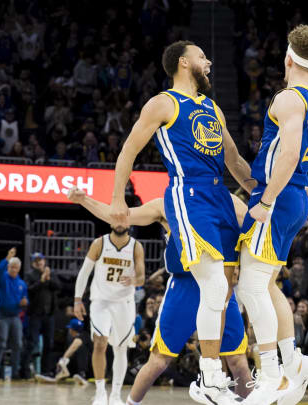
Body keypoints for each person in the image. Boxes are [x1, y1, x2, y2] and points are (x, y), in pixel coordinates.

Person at [68, 187, 308, 404]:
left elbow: (263, 225)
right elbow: (122, 216)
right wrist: (84, 201)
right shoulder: (168, 203)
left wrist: (297, 206)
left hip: (223, 285)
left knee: (238, 360)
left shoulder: (232, 202)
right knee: (159, 360)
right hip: (185, 286)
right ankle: (132, 402)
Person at [108, 39, 253, 405]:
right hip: (189, 196)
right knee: (216, 287)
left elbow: (235, 162)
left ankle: (235, 378)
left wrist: (267, 194)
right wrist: (115, 198)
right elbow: (129, 149)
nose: (209, 62)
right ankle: (210, 377)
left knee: (227, 284)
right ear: (184, 62)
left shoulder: (214, 110)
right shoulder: (163, 103)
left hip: (221, 196)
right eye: (203, 56)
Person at [237, 24, 308, 405]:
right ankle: (293, 360)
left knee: (249, 285)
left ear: (288, 58)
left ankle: (271, 376)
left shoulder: (288, 99)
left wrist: (266, 201)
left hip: (277, 198)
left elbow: (290, 153)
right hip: (295, 197)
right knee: (265, 284)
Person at [74, 222, 145, 405]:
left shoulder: (136, 246)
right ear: (110, 221)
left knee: (120, 348)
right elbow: (84, 272)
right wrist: (77, 299)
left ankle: (115, 395)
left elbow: (142, 278)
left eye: (123, 219)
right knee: (99, 342)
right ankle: (99, 393)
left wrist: (134, 280)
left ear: (128, 222)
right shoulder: (99, 243)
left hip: (124, 302)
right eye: (116, 218)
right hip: (101, 301)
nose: (119, 222)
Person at [0, 248, 28, 379]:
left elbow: (25, 298)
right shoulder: (2, 279)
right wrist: (7, 258)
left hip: (15, 316)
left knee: (18, 344)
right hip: (1, 315)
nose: (14, 270)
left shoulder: (21, 283)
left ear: (19, 268)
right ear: (8, 267)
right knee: (2, 343)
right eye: (11, 267)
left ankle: (15, 373)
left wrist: (25, 302)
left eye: (16, 267)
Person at [24, 252, 60, 378]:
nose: (39, 263)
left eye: (41, 260)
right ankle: (25, 370)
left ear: (44, 261)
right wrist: (41, 280)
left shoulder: (51, 273)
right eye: (36, 261)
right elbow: (29, 290)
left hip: (49, 315)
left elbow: (58, 286)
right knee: (32, 342)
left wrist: (48, 278)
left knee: (48, 344)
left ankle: (46, 371)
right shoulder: (29, 275)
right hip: (35, 314)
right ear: (33, 263)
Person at [34, 318, 88, 386]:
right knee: (56, 353)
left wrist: (63, 359)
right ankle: (54, 373)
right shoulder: (69, 337)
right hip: (72, 367)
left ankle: (82, 374)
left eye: (71, 329)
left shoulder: (84, 336)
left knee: (79, 350)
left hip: (84, 366)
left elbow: (76, 345)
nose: (69, 330)